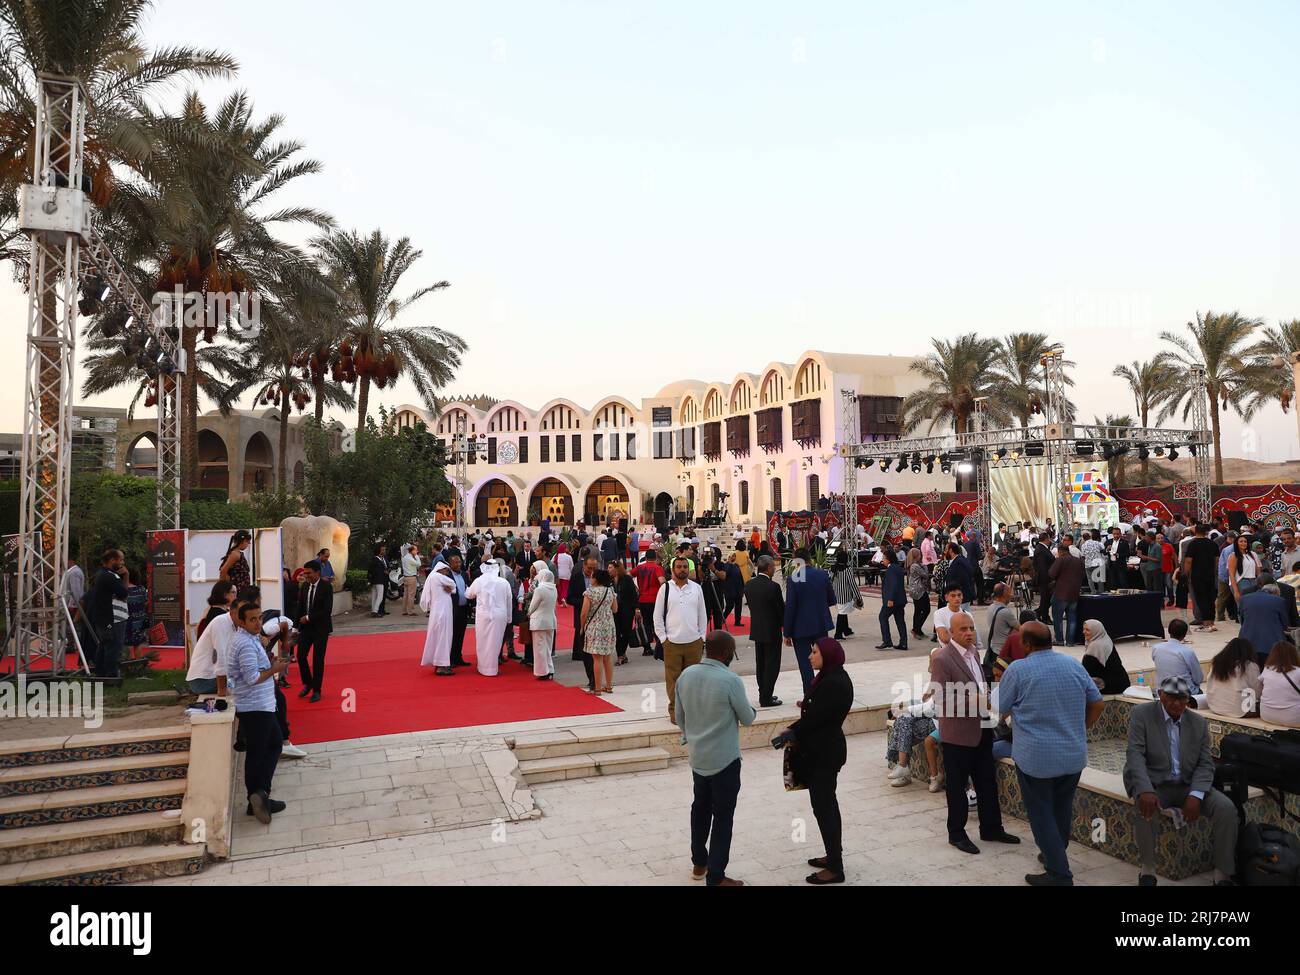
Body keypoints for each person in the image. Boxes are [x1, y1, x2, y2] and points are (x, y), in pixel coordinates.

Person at [994, 621, 1104, 885]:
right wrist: (1081, 728)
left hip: (1037, 759)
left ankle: (1059, 873)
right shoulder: (1073, 664)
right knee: (1062, 808)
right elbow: (1097, 703)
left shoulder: (1019, 670)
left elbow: (999, 705)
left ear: (1027, 645)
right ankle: (1055, 854)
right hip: (1072, 755)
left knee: (1041, 814)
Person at [1123, 675, 1238, 886]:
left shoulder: (1198, 723)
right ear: (1160, 695)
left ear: (1188, 699)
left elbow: (1205, 763)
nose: (1177, 703)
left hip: (1186, 784)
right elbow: (1135, 755)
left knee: (1227, 808)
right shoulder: (1142, 714)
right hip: (1156, 783)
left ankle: (1222, 873)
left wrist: (1196, 794)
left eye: (1182, 698)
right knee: (1144, 806)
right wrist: (1145, 789)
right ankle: (1147, 870)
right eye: (1171, 698)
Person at [929, 611, 1019, 854]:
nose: (969, 632)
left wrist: (988, 699)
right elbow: (941, 698)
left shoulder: (975, 654)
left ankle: (991, 828)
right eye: (963, 629)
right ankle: (956, 833)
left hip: (983, 729)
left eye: (971, 628)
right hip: (958, 734)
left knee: (987, 782)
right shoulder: (942, 659)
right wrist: (976, 700)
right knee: (957, 786)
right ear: (951, 632)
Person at [675, 630, 756, 887]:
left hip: (698, 758)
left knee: (700, 808)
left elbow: (680, 717)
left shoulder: (685, 676)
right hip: (725, 760)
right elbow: (748, 717)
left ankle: (700, 862)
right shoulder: (730, 680)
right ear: (726, 653)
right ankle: (717, 876)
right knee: (723, 817)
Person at [774, 636, 854, 884]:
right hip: (823, 750)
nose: (810, 657)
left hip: (825, 754)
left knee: (825, 808)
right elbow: (817, 714)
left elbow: (816, 719)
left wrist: (792, 731)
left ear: (827, 655)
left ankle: (836, 867)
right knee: (825, 806)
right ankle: (832, 855)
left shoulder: (834, 683)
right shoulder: (831, 677)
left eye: (815, 652)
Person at [227, 601, 290, 824]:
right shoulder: (244, 643)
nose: (258, 623)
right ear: (241, 621)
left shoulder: (249, 639)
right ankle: (257, 795)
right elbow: (252, 678)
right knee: (258, 751)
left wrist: (270, 663)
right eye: (252, 619)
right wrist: (274, 669)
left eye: (260, 618)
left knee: (273, 744)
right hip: (254, 706)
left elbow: (254, 669)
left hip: (261, 704)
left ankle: (260, 794)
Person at [654, 556, 708, 724]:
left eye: (685, 566)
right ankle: (675, 711)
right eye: (679, 566)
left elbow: (702, 615)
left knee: (692, 680)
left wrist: (702, 637)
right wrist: (664, 639)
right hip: (672, 643)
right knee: (673, 680)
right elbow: (657, 617)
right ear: (673, 569)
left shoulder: (697, 588)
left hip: (694, 642)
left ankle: (691, 711)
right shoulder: (665, 589)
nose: (682, 569)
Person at [783, 549, 836, 695]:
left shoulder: (793, 578)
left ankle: (810, 695)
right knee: (824, 659)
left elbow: (790, 607)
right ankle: (825, 692)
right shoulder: (822, 574)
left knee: (805, 663)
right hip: (820, 624)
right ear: (809, 559)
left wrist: (786, 632)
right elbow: (832, 600)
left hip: (800, 628)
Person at [744, 554, 785, 707]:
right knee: (772, 665)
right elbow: (780, 610)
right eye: (773, 567)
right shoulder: (773, 587)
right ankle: (766, 697)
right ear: (768, 568)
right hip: (772, 630)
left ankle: (763, 693)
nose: (774, 569)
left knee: (760, 664)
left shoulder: (749, 585)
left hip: (757, 629)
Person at [293, 560, 333, 702]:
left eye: (309, 573)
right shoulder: (304, 586)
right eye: (305, 573)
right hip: (306, 629)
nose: (306, 576)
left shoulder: (326, 587)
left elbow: (327, 611)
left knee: (317, 660)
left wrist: (309, 617)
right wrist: (295, 627)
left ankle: (317, 690)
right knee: (301, 656)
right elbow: (300, 607)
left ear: (317, 572)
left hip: (321, 628)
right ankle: (308, 683)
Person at [465, 558, 512, 677]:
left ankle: (484, 668)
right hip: (500, 616)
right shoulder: (504, 582)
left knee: (483, 641)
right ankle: (493, 668)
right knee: (495, 642)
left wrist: (465, 589)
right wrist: (509, 617)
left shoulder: (479, 581)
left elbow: (469, 595)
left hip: (483, 615)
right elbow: (509, 601)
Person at [86, 549, 129, 678]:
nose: (123, 563)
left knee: (104, 646)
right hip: (113, 618)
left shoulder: (99, 574)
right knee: (114, 647)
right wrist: (126, 575)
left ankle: (100, 673)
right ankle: (111, 676)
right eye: (121, 560)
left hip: (102, 617)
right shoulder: (111, 576)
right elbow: (124, 594)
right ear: (112, 560)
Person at [581, 568, 618, 694]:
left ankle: (597, 688)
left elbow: (584, 613)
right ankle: (608, 686)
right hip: (609, 625)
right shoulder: (610, 591)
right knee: (607, 657)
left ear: (595, 579)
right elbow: (615, 609)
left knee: (597, 658)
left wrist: (582, 626)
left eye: (592, 576)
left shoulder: (589, 593)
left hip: (595, 626)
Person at [1203, 638, 1261, 718]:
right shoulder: (1249, 665)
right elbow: (1257, 691)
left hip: (1215, 706)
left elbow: (1209, 683)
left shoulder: (1216, 663)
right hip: (1240, 710)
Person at [418, 563, 457, 676]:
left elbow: (453, 588)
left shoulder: (433, 577)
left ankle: (439, 663)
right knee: (443, 637)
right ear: (441, 569)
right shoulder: (437, 576)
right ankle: (441, 665)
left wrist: (451, 589)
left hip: (438, 610)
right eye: (446, 570)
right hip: (442, 611)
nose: (447, 573)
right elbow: (452, 584)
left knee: (439, 636)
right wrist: (451, 588)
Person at [1239, 582, 1290, 666]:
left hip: (1247, 642)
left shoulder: (1244, 599)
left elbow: (1242, 620)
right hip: (1272, 645)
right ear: (1275, 593)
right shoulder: (1279, 601)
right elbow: (1284, 624)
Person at [1181, 523, 1220, 631]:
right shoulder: (1213, 544)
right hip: (1210, 575)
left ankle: (1206, 623)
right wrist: (1214, 572)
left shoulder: (1192, 544)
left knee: (1201, 598)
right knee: (1210, 598)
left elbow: (1188, 561)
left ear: (1195, 532)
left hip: (1197, 575)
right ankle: (1211, 622)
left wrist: (1186, 574)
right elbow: (1216, 560)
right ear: (1206, 532)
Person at [1151, 619, 1203, 695]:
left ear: (1168, 631)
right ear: (1184, 635)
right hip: (1184, 693)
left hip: (1163, 691)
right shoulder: (1187, 652)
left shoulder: (1156, 648)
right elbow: (1198, 678)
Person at [1047, 541, 1085, 646]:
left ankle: (1059, 640)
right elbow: (1083, 575)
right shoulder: (1078, 561)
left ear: (1060, 552)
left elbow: (1051, 574)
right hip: (1074, 593)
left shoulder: (1060, 560)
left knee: (1058, 617)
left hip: (1060, 592)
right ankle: (1070, 641)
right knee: (1072, 617)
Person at [1080, 618, 1130, 693]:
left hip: (1111, 685)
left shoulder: (1095, 646)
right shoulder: (1106, 639)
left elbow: (1086, 671)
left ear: (1095, 630)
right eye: (1084, 629)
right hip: (1123, 681)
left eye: (1087, 630)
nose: (1084, 632)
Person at [527, 562, 558, 680]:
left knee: (539, 648)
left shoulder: (540, 589)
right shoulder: (553, 589)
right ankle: (550, 669)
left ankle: (542, 672)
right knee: (548, 648)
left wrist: (528, 613)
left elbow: (533, 606)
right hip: (550, 621)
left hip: (539, 621)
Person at [1260, 640, 1300, 726]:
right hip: (1294, 718)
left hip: (1266, 715)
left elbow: (1261, 687)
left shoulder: (1267, 669)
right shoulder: (1298, 672)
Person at [634, 549, 665, 658]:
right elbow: (662, 581)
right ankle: (658, 647)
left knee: (646, 623)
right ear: (655, 558)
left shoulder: (640, 567)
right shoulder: (657, 568)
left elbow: (628, 575)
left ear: (646, 557)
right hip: (655, 599)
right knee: (657, 623)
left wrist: (636, 589)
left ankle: (647, 648)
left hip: (642, 599)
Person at [876, 546, 907, 651]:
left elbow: (893, 585)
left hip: (893, 600)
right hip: (900, 599)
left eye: (884, 558)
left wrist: (890, 599)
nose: (882, 560)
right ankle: (903, 643)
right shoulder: (897, 567)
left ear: (888, 559)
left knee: (882, 617)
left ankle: (887, 640)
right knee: (900, 621)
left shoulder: (891, 569)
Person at [610, 560, 638, 666]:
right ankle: (620, 655)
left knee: (626, 631)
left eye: (610, 567)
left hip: (627, 609)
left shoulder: (627, 579)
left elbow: (633, 594)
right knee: (616, 632)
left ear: (616, 569)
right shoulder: (609, 580)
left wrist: (636, 608)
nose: (608, 570)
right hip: (614, 610)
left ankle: (622, 653)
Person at [831, 548, 858, 640]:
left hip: (836, 595)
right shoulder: (847, 570)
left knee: (843, 611)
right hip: (845, 595)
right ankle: (838, 634)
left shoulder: (833, 568)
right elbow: (852, 584)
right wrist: (857, 596)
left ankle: (846, 630)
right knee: (842, 613)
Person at [905, 547, 931, 640]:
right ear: (916, 555)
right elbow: (925, 575)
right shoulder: (915, 566)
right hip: (919, 590)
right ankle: (916, 629)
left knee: (918, 610)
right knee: (926, 610)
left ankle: (917, 630)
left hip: (915, 590)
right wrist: (925, 566)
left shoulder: (913, 565)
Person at [1227, 534, 1260, 605]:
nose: (1243, 543)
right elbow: (1231, 574)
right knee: (1244, 606)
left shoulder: (1252, 554)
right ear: (1236, 543)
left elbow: (1257, 570)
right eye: (1241, 541)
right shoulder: (1233, 556)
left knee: (1253, 605)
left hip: (1253, 581)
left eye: (1245, 541)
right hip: (1241, 582)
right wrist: (1236, 591)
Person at [1081, 530, 1106, 595]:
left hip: (1088, 564)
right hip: (1097, 563)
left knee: (1090, 579)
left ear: (1083, 538)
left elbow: (1083, 556)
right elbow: (1103, 549)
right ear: (1090, 536)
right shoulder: (1097, 543)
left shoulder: (1083, 546)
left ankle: (1093, 591)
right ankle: (1101, 591)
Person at [368, 544, 388, 617]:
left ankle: (373, 610)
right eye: (383, 550)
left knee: (374, 596)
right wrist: (384, 572)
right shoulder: (377, 560)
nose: (384, 551)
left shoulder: (376, 559)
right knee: (380, 596)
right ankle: (375, 611)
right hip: (379, 580)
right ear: (379, 551)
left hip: (375, 581)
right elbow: (375, 571)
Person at [400, 543, 421, 615]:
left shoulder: (405, 557)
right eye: (416, 550)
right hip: (411, 577)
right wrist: (417, 556)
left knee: (406, 595)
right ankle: (410, 611)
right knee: (411, 595)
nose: (417, 551)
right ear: (411, 551)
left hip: (406, 577)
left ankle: (404, 610)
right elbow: (419, 564)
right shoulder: (410, 558)